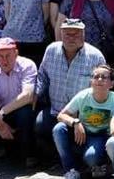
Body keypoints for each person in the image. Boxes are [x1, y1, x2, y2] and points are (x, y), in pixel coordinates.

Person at [35, 19, 107, 147]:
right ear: (61, 34)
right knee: (39, 125)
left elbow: (101, 89)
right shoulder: (51, 50)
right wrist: (35, 94)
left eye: (76, 34)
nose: (71, 38)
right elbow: (42, 76)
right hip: (56, 110)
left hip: (83, 116)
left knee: (87, 155)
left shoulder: (96, 56)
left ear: (84, 35)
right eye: (68, 34)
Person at [0, 37, 38, 167]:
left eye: (8, 56)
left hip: (21, 107)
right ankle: (2, 151)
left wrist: (1, 113)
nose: (4, 60)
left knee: (25, 115)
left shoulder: (27, 65)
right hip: (2, 111)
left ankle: (30, 154)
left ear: (16, 54)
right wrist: (0, 123)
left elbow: (28, 95)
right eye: (0, 56)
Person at [55, 64, 114, 179]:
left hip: (101, 136)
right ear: (91, 81)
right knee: (58, 129)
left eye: (104, 77)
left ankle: (92, 169)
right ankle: (70, 170)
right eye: (96, 76)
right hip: (81, 132)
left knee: (91, 158)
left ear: (111, 84)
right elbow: (61, 115)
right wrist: (75, 122)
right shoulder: (83, 95)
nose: (99, 80)